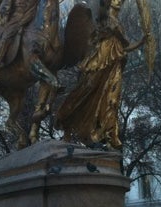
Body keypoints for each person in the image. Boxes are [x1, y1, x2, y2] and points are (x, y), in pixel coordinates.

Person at [55, 0, 143, 150]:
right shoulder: (103, 21)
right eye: (112, 4)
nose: (116, 6)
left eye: (117, 5)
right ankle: (66, 119)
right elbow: (94, 38)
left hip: (113, 67)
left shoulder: (116, 24)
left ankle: (109, 137)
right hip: (98, 64)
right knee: (84, 93)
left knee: (111, 100)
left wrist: (142, 41)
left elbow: (126, 46)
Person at [0, 0, 60, 88]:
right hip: (17, 16)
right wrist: (4, 19)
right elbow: (5, 6)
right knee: (7, 36)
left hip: (32, 14)